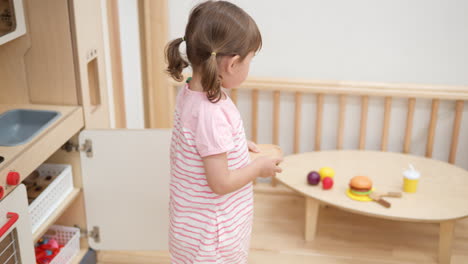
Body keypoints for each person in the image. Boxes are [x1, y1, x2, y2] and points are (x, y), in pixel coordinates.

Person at [165, 1, 282, 263]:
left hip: (191, 227)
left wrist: (238, 146)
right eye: (250, 59)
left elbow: (201, 147)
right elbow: (220, 183)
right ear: (232, 64)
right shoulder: (211, 112)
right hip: (213, 238)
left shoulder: (190, 93)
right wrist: (258, 169)